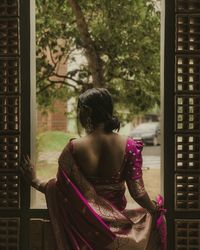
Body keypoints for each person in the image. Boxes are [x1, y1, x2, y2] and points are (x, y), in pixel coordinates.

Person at [21, 88, 167, 250]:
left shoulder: (73, 149)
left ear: (87, 111)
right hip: (118, 229)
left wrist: (34, 181)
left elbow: (60, 189)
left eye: (79, 110)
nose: (78, 116)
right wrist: (156, 209)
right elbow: (138, 193)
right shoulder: (129, 146)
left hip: (83, 231)